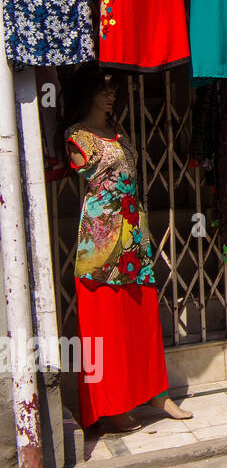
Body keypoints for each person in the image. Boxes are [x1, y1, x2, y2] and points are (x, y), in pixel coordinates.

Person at [63, 69, 191, 431]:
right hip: (101, 240)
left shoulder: (120, 133)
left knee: (142, 318)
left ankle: (157, 394)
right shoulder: (77, 137)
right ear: (87, 93)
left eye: (113, 91)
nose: (110, 96)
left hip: (133, 235)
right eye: (103, 91)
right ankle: (111, 405)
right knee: (105, 326)